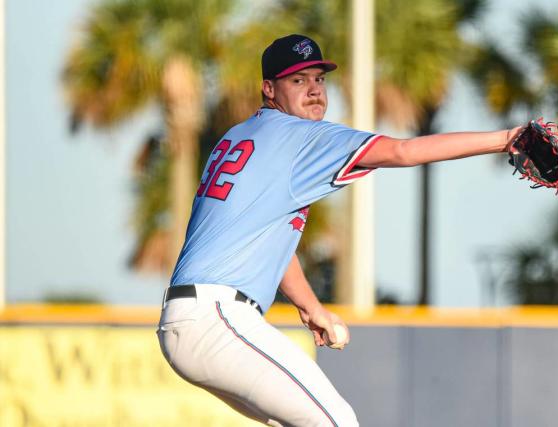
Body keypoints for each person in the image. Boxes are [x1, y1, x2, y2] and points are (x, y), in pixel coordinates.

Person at [157, 34, 522, 427]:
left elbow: (268, 245)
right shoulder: (302, 136)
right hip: (217, 318)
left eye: (319, 79)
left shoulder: (238, 136)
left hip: (186, 319)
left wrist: (311, 308)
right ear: (269, 88)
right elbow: (403, 151)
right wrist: (505, 139)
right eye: (298, 81)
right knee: (336, 421)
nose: (313, 89)